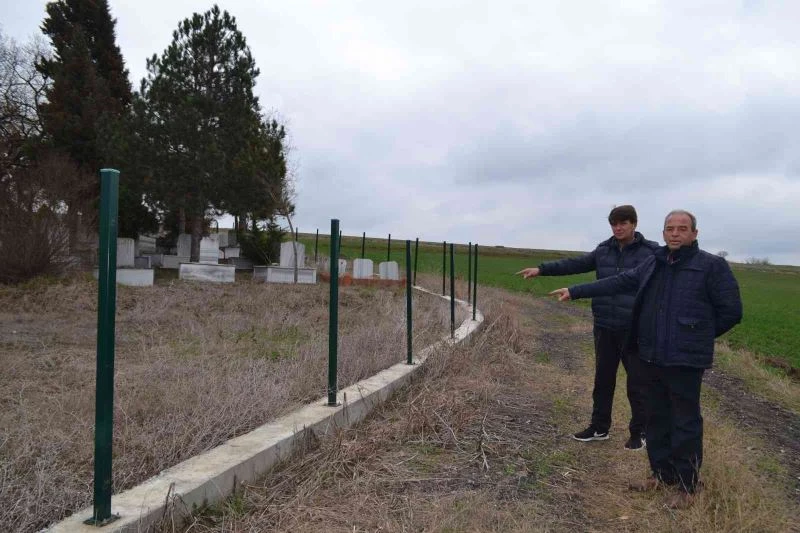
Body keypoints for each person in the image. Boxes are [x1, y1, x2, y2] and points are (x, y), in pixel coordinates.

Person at [549, 210, 742, 509]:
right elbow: (619, 282)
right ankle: (661, 475)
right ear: (663, 232)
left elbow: (731, 311)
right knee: (656, 417)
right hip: (650, 355)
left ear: (694, 233)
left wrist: (695, 335)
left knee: (685, 422)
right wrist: (575, 291)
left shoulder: (711, 267)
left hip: (685, 360)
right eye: (669, 228)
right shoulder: (655, 261)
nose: (675, 233)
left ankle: (688, 486)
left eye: (682, 228)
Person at [516, 205, 658, 450]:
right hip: (604, 325)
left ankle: (639, 432)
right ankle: (599, 427)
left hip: (635, 328)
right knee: (603, 380)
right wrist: (542, 269)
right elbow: (575, 264)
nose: (618, 228)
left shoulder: (651, 252)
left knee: (637, 383)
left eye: (623, 223)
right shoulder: (603, 250)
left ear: (634, 224)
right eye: (614, 223)